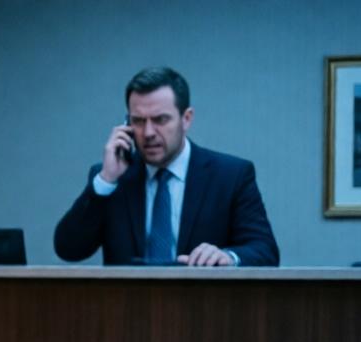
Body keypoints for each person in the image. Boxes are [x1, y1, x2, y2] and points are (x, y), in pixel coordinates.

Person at [54, 66, 279, 266]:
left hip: (204, 308)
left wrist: (228, 257)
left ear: (186, 119)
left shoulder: (231, 175)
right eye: (139, 121)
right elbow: (68, 249)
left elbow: (265, 251)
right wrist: (105, 181)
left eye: (160, 120)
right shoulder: (112, 178)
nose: (148, 133)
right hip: (126, 310)